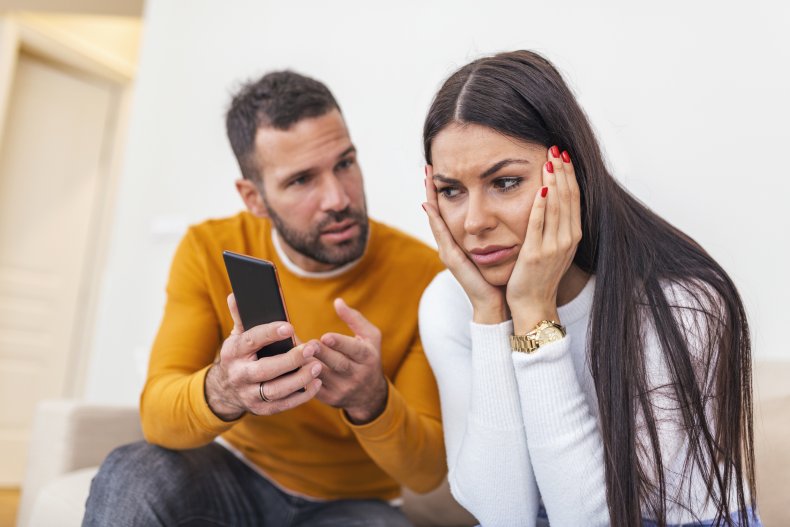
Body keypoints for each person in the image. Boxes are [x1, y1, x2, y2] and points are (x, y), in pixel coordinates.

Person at [83, 71, 446, 526]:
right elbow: (158, 414)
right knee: (132, 469)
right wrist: (224, 388)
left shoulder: (426, 275)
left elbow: (426, 472)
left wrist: (373, 400)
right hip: (235, 476)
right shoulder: (207, 248)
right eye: (301, 181)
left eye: (345, 163)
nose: (338, 198)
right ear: (253, 197)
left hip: (351, 503)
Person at [418, 50, 759, 526]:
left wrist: (535, 314)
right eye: (451, 191)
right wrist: (492, 318)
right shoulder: (451, 303)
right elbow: (502, 514)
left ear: (568, 173)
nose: (474, 222)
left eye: (506, 182)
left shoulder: (679, 303)